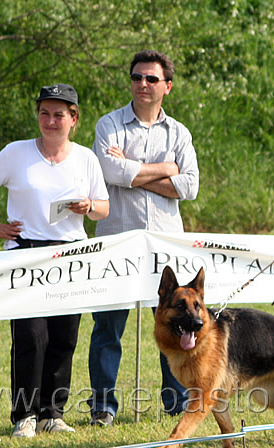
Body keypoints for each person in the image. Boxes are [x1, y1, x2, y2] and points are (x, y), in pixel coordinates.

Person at [0, 84, 110, 437]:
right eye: (44, 113)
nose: (50, 120)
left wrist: (88, 206)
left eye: (59, 114)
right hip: (27, 254)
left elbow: (103, 208)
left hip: (72, 254)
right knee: (31, 336)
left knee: (65, 336)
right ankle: (25, 415)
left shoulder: (85, 159)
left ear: (74, 119)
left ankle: (52, 413)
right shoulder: (16, 153)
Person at [87, 49, 199, 427]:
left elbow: (191, 185)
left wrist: (134, 170)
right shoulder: (109, 124)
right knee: (107, 328)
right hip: (115, 243)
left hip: (165, 250)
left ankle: (177, 401)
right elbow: (110, 172)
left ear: (167, 86)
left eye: (151, 79)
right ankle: (103, 407)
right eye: (137, 77)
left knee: (176, 324)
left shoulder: (179, 132)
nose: (142, 84)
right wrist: (166, 170)